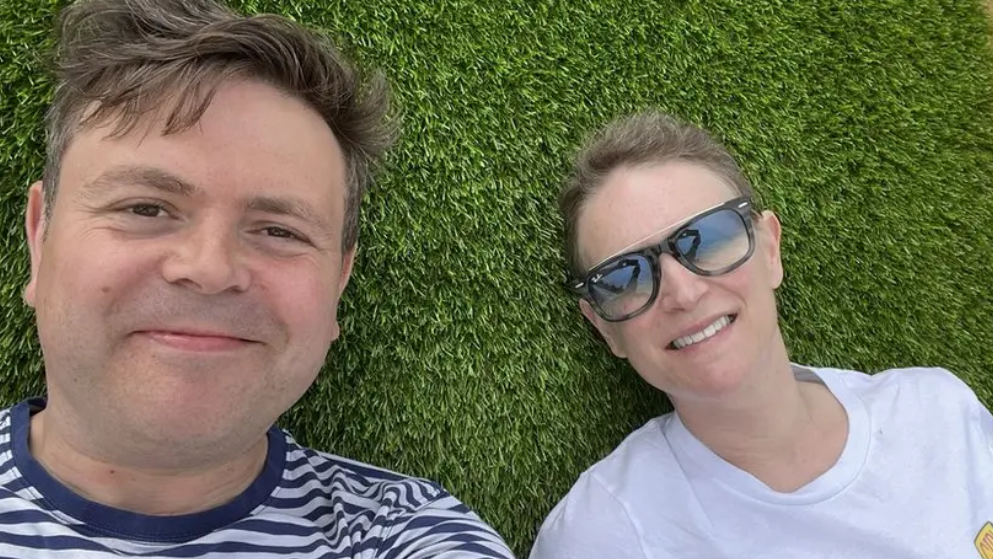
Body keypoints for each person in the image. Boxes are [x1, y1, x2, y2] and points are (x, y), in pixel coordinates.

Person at [0, 1, 515, 557]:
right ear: (39, 237)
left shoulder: (406, 535)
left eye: (279, 231)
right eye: (146, 208)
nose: (210, 269)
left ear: (339, 282)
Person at [530, 111, 993, 558]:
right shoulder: (604, 534)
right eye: (624, 277)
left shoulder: (940, 411)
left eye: (707, 237)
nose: (684, 292)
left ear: (770, 248)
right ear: (605, 328)